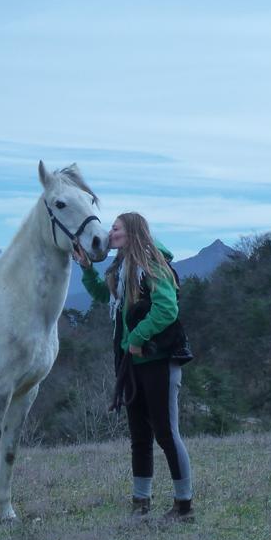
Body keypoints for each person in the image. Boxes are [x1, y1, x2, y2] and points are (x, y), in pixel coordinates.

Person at [73, 212, 195, 521]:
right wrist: (87, 269)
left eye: (115, 229)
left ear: (132, 233)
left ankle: (184, 506)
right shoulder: (122, 268)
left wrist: (137, 338)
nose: (110, 233)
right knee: (140, 435)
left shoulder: (152, 266)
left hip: (157, 361)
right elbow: (106, 296)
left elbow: (167, 309)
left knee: (166, 433)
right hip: (131, 364)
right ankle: (141, 503)